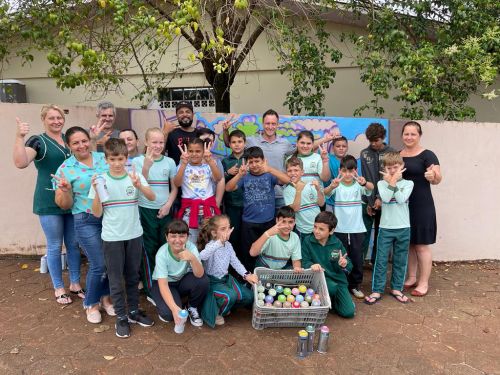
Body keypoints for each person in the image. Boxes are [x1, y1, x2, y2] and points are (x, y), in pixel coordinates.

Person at [13, 104, 83, 305]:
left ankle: (75, 283)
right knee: (54, 245)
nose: (56, 121)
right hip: (48, 200)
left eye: (59, 117)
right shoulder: (37, 140)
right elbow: (20, 162)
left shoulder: (69, 140)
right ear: (43, 119)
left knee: (73, 244)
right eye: (51, 118)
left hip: (72, 199)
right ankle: (59, 287)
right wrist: (19, 136)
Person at [90, 138, 156, 338]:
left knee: (133, 276)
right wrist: (97, 194)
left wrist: (139, 185)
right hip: (112, 237)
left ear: (126, 158)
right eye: (112, 159)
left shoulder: (134, 176)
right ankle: (121, 316)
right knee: (115, 279)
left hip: (134, 234)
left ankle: (134, 311)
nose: (117, 163)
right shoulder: (100, 180)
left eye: (120, 158)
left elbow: (152, 197)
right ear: (106, 159)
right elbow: (96, 213)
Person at [53, 126, 115, 323]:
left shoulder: (103, 158)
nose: (81, 145)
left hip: (110, 218)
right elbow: (64, 205)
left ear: (90, 140)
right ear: (69, 146)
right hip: (85, 219)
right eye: (76, 143)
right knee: (99, 263)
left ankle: (106, 299)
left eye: (84, 140)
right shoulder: (65, 169)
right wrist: (65, 190)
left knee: (109, 263)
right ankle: (91, 303)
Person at [225, 146, 290, 271]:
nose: (254, 165)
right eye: (251, 162)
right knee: (249, 253)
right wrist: (239, 175)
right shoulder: (245, 176)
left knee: (267, 251)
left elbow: (286, 180)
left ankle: (267, 275)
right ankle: (249, 277)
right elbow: (228, 188)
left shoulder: (269, 175)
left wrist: (269, 169)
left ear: (263, 160)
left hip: (268, 222)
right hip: (249, 223)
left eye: (257, 161)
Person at [132, 128, 178, 298]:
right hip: (145, 210)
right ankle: (151, 287)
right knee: (149, 248)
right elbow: (139, 185)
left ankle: (166, 283)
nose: (158, 146)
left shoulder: (170, 162)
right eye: (154, 142)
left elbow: (174, 188)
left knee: (165, 246)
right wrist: (146, 167)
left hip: (165, 211)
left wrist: (168, 205)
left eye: (161, 142)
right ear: (146, 142)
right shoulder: (137, 161)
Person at [364, 152, 414, 305]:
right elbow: (385, 199)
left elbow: (400, 199)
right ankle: (377, 290)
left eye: (395, 167)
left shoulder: (409, 183)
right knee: (381, 260)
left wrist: (393, 182)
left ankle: (396, 288)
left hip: (403, 227)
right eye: (389, 168)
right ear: (384, 168)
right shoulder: (381, 184)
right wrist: (391, 182)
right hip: (386, 228)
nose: (392, 170)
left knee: (400, 259)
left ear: (402, 167)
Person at [400, 121, 442, 297]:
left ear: (419, 135)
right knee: (409, 243)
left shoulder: (428, 155)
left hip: (422, 205)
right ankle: (411, 277)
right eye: (406, 134)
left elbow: (438, 178)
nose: (409, 137)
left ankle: (423, 282)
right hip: (401, 205)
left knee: (421, 245)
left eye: (413, 134)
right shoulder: (397, 155)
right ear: (402, 135)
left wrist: (433, 176)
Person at [223, 109, 294, 209]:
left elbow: (301, 151)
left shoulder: (285, 143)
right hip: (258, 195)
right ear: (262, 124)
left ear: (278, 124)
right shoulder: (252, 140)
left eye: (273, 124)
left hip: (280, 194)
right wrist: (225, 130)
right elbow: (230, 144)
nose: (270, 127)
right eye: (267, 123)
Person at [198, 215, 258, 327]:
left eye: (228, 228)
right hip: (213, 282)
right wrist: (219, 242)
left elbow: (235, 262)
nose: (227, 231)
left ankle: (225, 304)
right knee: (231, 296)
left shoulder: (229, 245)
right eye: (223, 229)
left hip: (226, 280)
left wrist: (246, 275)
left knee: (249, 296)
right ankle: (217, 312)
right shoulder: (211, 245)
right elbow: (202, 256)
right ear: (214, 233)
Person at [329, 155, 374, 299]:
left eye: (350, 171)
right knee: (340, 258)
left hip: (356, 229)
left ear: (355, 171)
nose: (347, 174)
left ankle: (355, 285)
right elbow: (324, 194)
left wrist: (364, 182)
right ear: (340, 171)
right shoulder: (336, 185)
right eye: (344, 171)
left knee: (356, 258)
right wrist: (332, 186)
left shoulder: (358, 186)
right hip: (340, 230)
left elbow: (371, 188)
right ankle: (342, 284)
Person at [150, 219, 209, 327]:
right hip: (163, 284)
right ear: (167, 237)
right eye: (173, 236)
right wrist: (173, 308)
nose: (177, 240)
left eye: (182, 236)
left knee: (203, 280)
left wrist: (192, 258)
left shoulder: (191, 247)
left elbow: (200, 275)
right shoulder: (162, 253)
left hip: (181, 280)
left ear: (187, 237)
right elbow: (163, 284)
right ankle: (159, 298)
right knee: (168, 315)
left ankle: (192, 307)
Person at [301, 212, 355, 318]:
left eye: (321, 229)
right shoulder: (307, 241)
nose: (316, 231)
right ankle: (326, 301)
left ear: (331, 231)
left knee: (348, 313)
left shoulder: (336, 243)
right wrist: (311, 265)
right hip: (319, 279)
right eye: (315, 227)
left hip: (338, 280)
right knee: (331, 288)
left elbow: (348, 265)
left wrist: (344, 263)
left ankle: (333, 302)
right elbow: (304, 261)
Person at [174, 138, 222, 244]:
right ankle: (192, 261)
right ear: (186, 152)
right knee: (191, 243)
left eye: (198, 151)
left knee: (211, 243)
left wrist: (210, 161)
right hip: (189, 212)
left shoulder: (208, 166)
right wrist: (183, 164)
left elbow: (218, 178)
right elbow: (177, 183)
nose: (194, 154)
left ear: (203, 152)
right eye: (191, 151)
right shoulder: (181, 166)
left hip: (208, 210)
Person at [360, 123, 395, 265]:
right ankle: (359, 265)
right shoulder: (364, 153)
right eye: (371, 141)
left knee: (382, 235)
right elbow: (366, 179)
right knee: (364, 234)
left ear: (383, 137)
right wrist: (369, 202)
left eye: (377, 140)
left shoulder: (392, 153)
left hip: (386, 201)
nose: (373, 144)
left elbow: (392, 178)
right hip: (367, 201)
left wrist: (380, 198)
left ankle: (377, 263)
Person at [283, 157, 332, 237]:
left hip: (318, 227)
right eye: (289, 171)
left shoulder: (311, 186)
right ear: (286, 173)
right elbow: (295, 209)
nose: (293, 173)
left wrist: (318, 190)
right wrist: (298, 191)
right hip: (302, 230)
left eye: (296, 170)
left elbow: (321, 203)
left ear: (302, 172)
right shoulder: (287, 191)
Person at [249, 206, 302, 271]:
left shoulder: (295, 237)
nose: (287, 226)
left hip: (280, 270)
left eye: (290, 222)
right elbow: (252, 253)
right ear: (277, 220)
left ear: (294, 222)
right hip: (264, 267)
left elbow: (296, 260)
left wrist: (297, 268)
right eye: (283, 221)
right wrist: (266, 234)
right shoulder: (270, 234)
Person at [221, 129, 246, 258]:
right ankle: (232, 264)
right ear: (229, 144)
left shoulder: (249, 159)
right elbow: (218, 182)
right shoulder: (225, 161)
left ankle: (245, 265)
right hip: (231, 204)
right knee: (233, 235)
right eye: (233, 142)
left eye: (240, 141)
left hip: (247, 204)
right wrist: (227, 173)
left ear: (245, 143)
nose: (237, 144)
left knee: (245, 235)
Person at [324, 136, 361, 213]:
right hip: (330, 202)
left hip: (346, 203)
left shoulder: (350, 161)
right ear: (332, 148)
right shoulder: (327, 158)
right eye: (338, 146)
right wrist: (326, 139)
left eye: (344, 146)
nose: (341, 148)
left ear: (347, 148)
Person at [195, 127, 226, 209]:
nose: (208, 144)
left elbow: (221, 181)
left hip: (210, 203)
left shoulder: (216, 160)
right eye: (205, 141)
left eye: (211, 141)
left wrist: (217, 204)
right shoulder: (186, 159)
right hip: (191, 203)